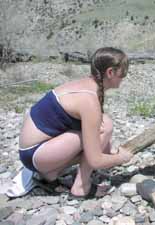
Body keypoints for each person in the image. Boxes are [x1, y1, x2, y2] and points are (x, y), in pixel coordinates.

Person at [18, 47, 133, 198]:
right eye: (123, 74)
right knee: (105, 128)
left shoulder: (86, 84)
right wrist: (121, 158)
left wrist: (107, 154)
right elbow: (96, 160)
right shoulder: (89, 101)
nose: (123, 78)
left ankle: (50, 173)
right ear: (110, 72)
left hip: (34, 152)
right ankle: (80, 187)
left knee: (105, 125)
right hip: (35, 154)